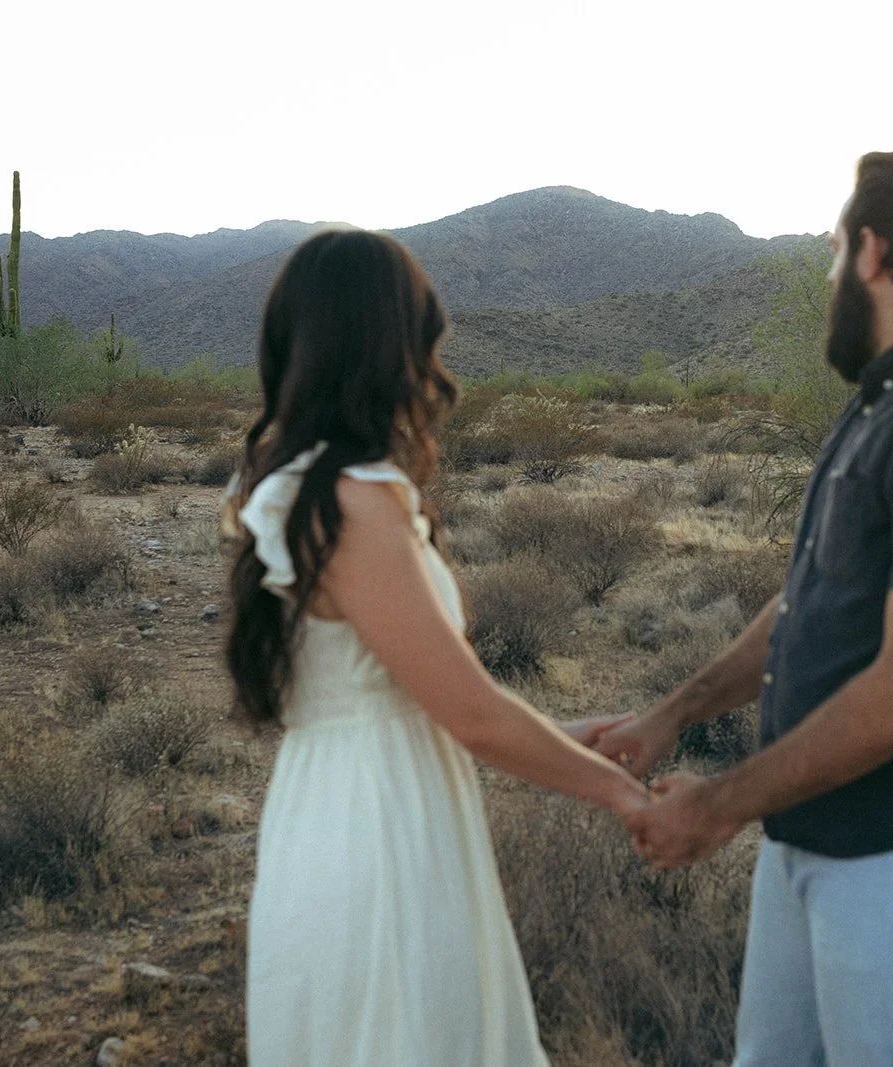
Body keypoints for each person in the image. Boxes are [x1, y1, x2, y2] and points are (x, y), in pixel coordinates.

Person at [597, 150, 893, 1065]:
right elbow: (809, 604)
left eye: (831, 249)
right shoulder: (889, 401)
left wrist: (717, 806)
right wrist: (674, 712)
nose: (825, 277)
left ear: (872, 254)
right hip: (822, 835)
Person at [225, 228, 649, 1066]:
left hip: (332, 805)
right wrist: (626, 797)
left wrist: (562, 739)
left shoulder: (298, 485)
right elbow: (471, 714)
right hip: (382, 826)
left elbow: (417, 688)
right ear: (391, 343)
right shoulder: (355, 498)